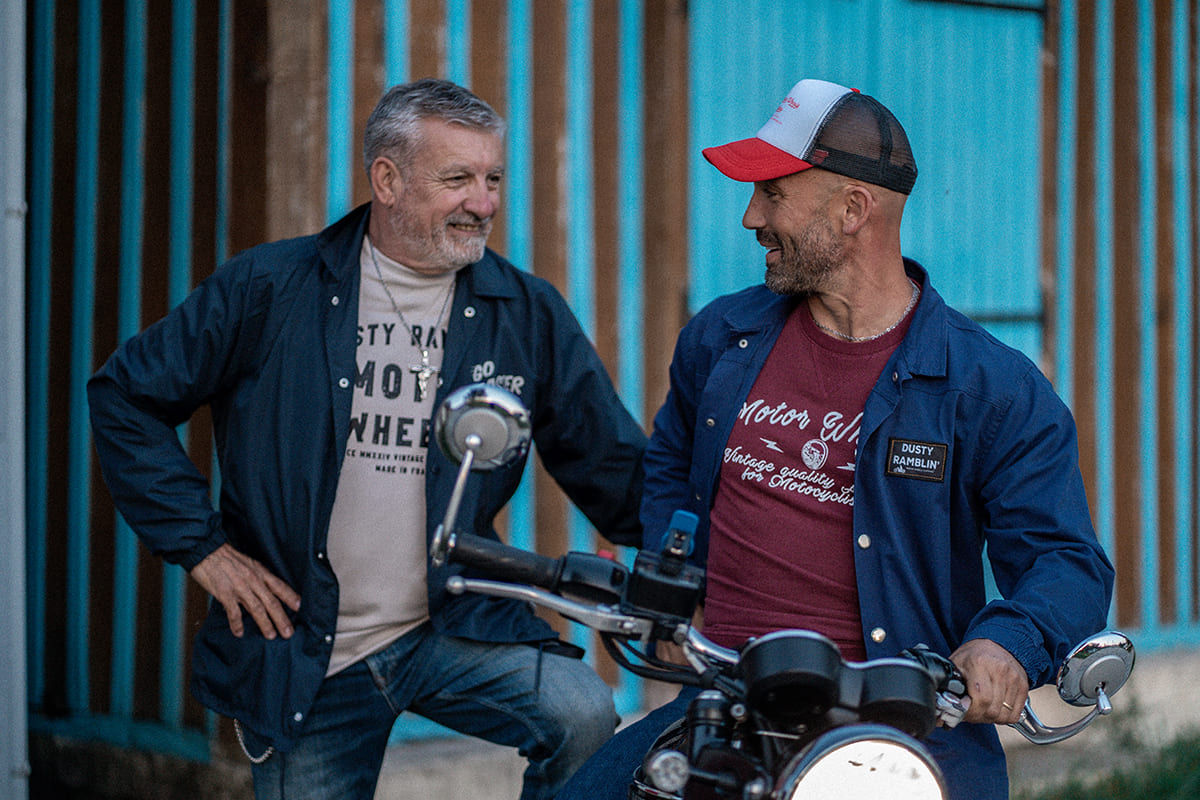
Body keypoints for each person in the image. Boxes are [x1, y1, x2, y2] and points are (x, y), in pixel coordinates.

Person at [87, 78, 647, 800]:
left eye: (492, 178)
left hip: (452, 622)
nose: (485, 202)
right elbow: (126, 396)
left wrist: (700, 564)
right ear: (387, 179)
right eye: (458, 179)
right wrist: (203, 548)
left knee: (582, 712)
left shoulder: (523, 310)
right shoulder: (270, 286)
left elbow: (611, 466)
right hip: (309, 651)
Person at [556, 78, 1114, 800]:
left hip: (899, 733)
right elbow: (669, 461)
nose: (752, 215)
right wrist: (676, 578)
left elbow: (1066, 563)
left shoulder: (991, 388)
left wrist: (1007, 642)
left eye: (774, 193)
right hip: (724, 707)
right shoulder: (722, 338)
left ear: (854, 210)